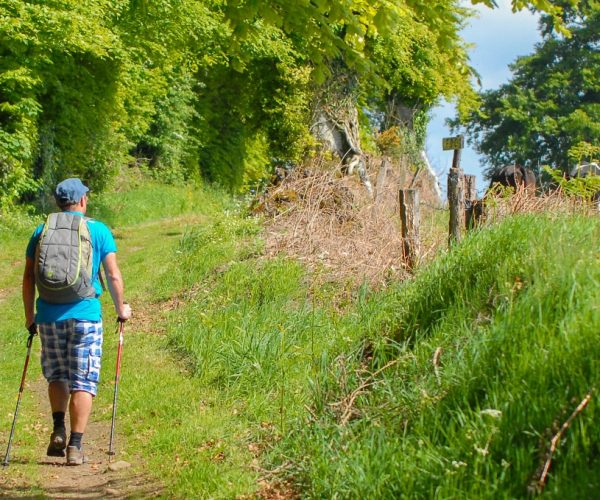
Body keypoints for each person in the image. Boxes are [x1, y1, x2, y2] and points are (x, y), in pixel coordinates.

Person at [22, 178, 132, 465]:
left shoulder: (41, 230)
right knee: (83, 380)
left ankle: (58, 428)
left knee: (57, 374)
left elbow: (28, 277)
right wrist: (122, 310)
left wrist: (30, 317)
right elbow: (113, 275)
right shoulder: (98, 230)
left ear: (58, 202)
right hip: (86, 316)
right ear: (83, 201)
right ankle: (75, 446)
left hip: (48, 316)